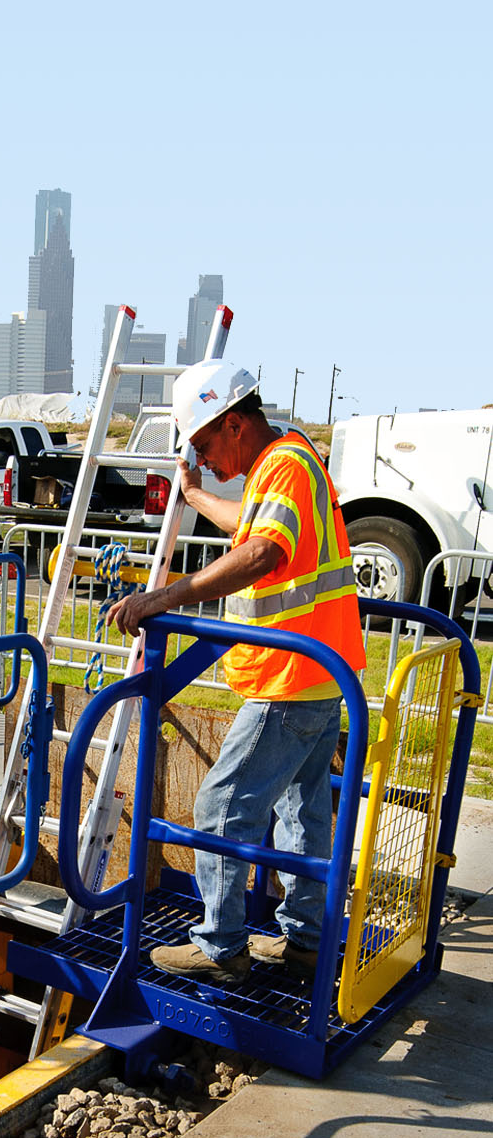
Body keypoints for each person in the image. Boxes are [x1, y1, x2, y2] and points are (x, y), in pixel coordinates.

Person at [104, 359, 366, 985]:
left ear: (234, 423)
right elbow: (248, 525)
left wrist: (164, 597)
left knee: (221, 805)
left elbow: (262, 550)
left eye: (202, 444)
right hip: (319, 676)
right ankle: (304, 940)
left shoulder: (285, 466)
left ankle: (220, 947)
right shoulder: (289, 461)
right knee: (303, 815)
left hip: (290, 674)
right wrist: (195, 496)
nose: (206, 457)